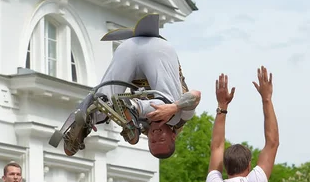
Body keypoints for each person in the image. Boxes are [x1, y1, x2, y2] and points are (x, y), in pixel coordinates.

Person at [56, 14, 201, 158]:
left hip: (127, 48)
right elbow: (196, 96)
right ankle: (133, 106)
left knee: (104, 100)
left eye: (153, 140)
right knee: (171, 112)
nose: (156, 135)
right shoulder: (181, 119)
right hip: (157, 50)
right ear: (173, 136)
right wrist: (174, 107)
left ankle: (88, 118)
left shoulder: (140, 126)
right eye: (161, 139)